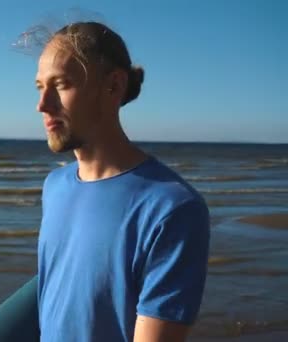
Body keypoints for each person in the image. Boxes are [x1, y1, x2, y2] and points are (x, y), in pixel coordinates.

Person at [35, 22, 210, 341]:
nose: (42, 104)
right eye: (39, 87)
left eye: (60, 85)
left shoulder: (172, 209)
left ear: (113, 86)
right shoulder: (54, 186)